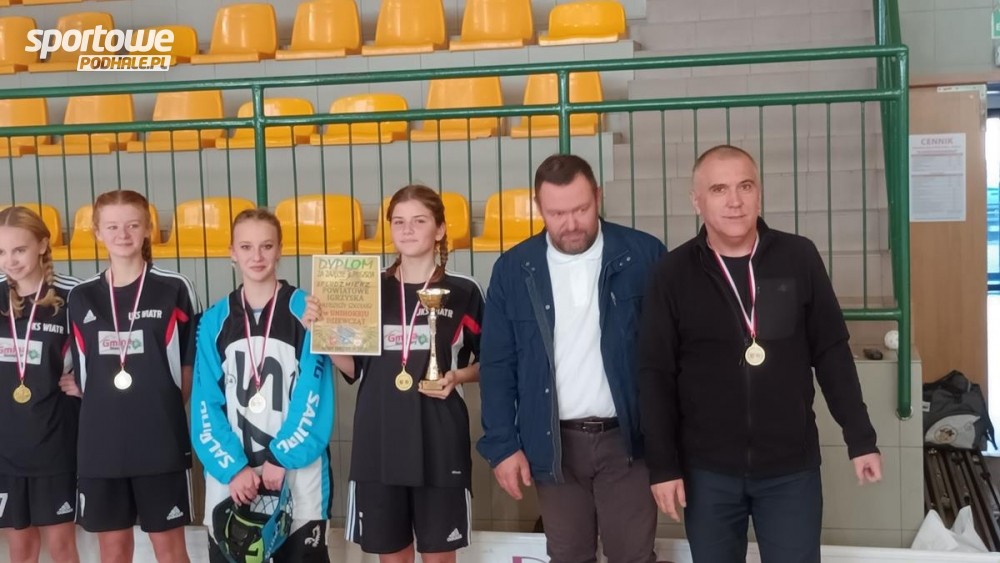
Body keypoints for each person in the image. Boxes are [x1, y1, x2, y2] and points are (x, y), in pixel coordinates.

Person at [638, 145, 883, 563]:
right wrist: (663, 465)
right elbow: (655, 374)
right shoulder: (672, 273)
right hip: (706, 472)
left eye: (745, 186)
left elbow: (831, 353)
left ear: (760, 193)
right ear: (696, 200)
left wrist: (861, 438)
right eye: (719, 189)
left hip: (790, 470)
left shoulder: (799, 257)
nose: (734, 201)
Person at [477, 154, 665, 563]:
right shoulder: (513, 269)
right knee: (568, 557)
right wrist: (503, 445)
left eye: (581, 209)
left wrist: (672, 441)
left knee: (633, 557)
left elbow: (670, 355)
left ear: (598, 196)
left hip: (629, 441)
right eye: (557, 213)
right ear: (538, 207)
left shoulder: (644, 255)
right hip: (552, 443)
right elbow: (497, 366)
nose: (571, 223)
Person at [326, 185, 483, 563]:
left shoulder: (464, 291)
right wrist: (324, 331)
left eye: (419, 221)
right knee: (392, 557)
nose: (407, 230)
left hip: (439, 440)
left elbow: (492, 362)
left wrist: (457, 377)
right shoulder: (367, 287)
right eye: (399, 222)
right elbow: (354, 367)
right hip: (379, 440)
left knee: (439, 557)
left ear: (440, 229)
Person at [192, 208, 335, 563]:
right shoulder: (213, 320)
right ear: (232, 252)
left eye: (266, 246)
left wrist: (281, 457)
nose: (256, 256)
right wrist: (233, 468)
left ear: (280, 249)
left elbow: (314, 395)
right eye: (246, 247)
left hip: (298, 477)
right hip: (232, 480)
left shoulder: (308, 310)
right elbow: (205, 406)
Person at [67, 189, 199, 563]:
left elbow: (188, 366)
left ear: (148, 229)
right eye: (112, 226)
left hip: (160, 441)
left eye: (132, 225)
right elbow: (81, 367)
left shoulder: (175, 287)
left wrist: (159, 408)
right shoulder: (81, 296)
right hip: (101, 446)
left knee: (170, 550)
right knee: (113, 551)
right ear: (97, 232)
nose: (122, 234)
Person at [0, 206, 81, 563]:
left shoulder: (74, 297)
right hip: (6, 444)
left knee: (62, 546)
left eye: (19, 249)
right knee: (20, 548)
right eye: (2, 252)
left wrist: (86, 382)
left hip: (55, 441)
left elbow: (105, 352)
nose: (10, 260)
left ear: (43, 245)